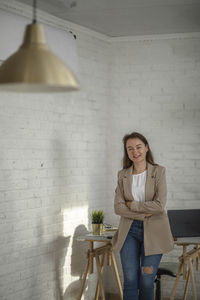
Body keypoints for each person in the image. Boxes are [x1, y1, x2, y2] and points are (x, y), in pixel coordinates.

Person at [112, 132, 174, 300]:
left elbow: (159, 205)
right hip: (128, 231)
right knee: (131, 280)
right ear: (127, 152)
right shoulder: (122, 175)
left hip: (154, 232)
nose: (135, 152)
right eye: (130, 149)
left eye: (139, 147)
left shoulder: (159, 172)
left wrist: (132, 205)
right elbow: (118, 208)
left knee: (146, 280)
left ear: (146, 148)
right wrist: (144, 212)